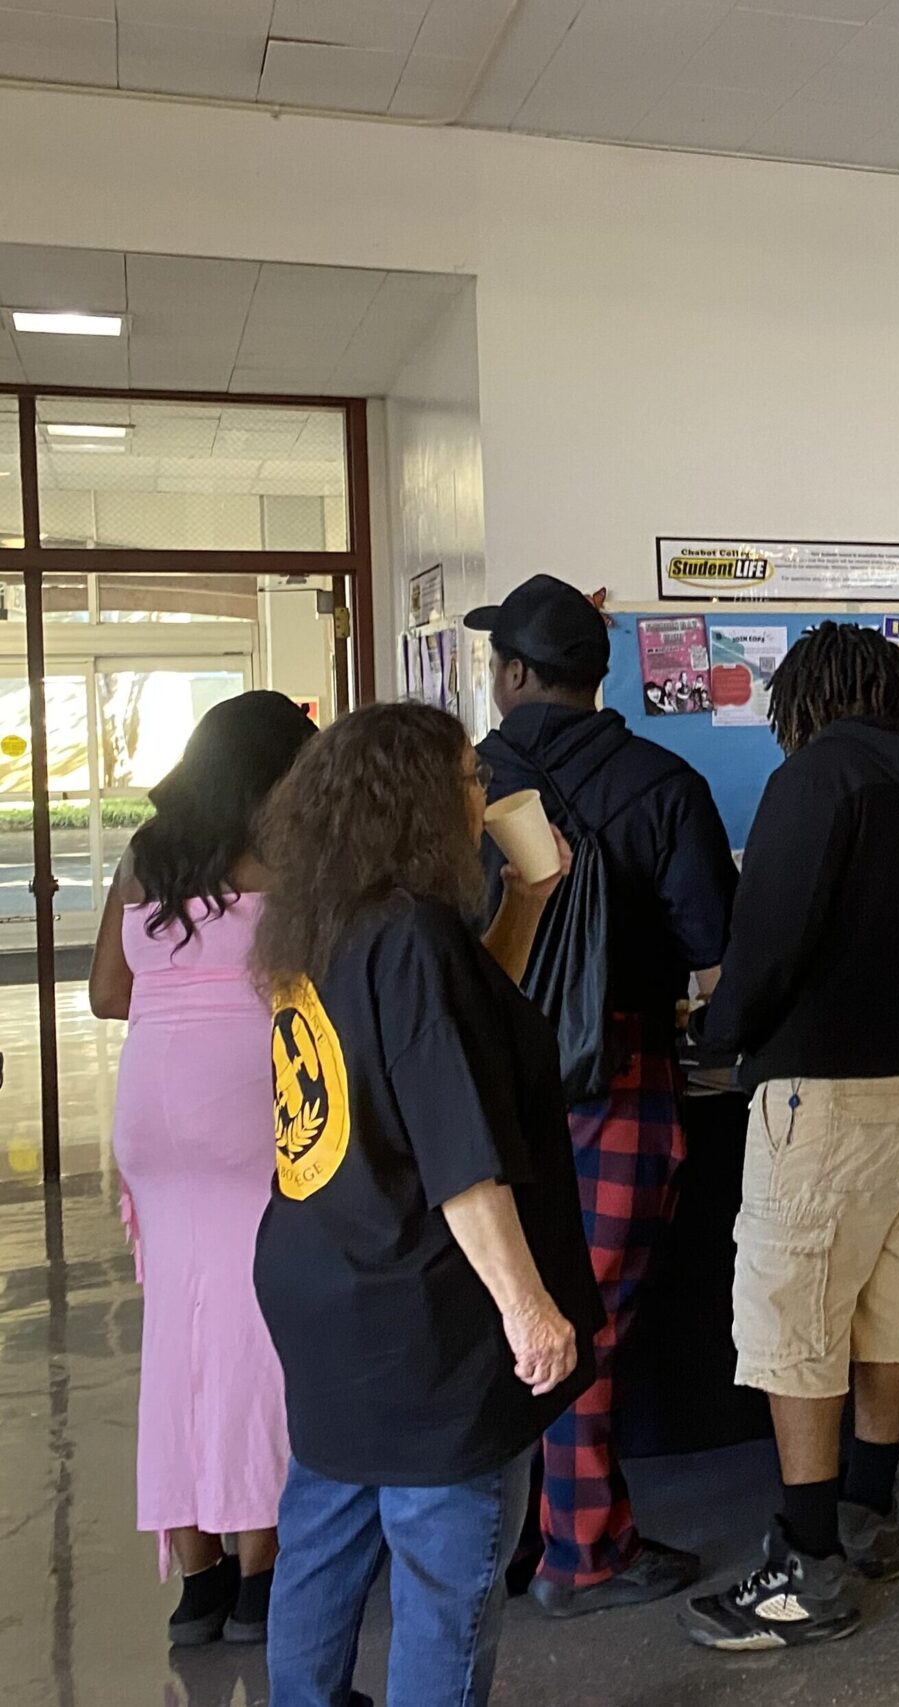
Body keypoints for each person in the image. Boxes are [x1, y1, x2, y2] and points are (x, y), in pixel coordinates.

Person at [254, 702, 600, 1707]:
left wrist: (529, 899)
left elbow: (450, 1024)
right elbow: (460, 1156)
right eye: (465, 776)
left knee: (323, 1538)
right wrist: (529, 1311)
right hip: (423, 1311)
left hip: (324, 1282)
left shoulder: (323, 920)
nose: (480, 794)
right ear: (416, 799)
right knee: (445, 1576)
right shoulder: (410, 934)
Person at [683, 622, 899, 1652]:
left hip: (825, 1086)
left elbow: (766, 941)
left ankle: (802, 1567)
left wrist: (719, 1034)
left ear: (805, 700)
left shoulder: (816, 782)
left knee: (794, 1303)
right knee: (888, 1282)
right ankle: (866, 1510)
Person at [467, 573, 736, 1614]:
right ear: (593, 677)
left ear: (515, 674)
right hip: (619, 1076)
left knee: (499, 1307)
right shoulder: (664, 782)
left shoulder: (462, 787)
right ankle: (580, 1549)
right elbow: (716, 947)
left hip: (479, 1083)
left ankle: (511, 1540)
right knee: (592, 1318)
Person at [92, 690, 315, 1646]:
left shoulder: (146, 854)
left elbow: (109, 991)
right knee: (254, 1332)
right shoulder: (286, 859)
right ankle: (262, 1573)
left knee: (177, 1335)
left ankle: (197, 1581)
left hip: (151, 1115)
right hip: (246, 1112)